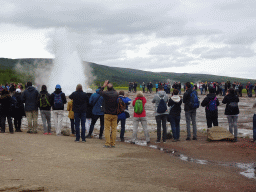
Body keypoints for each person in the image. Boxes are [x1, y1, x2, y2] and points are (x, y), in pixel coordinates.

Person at [99, 80, 118, 148]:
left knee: (107, 129)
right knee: (114, 129)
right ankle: (113, 144)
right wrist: (110, 85)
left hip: (107, 113)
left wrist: (104, 85)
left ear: (107, 88)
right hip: (115, 114)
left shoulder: (106, 94)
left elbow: (99, 91)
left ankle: (107, 143)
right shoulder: (116, 93)